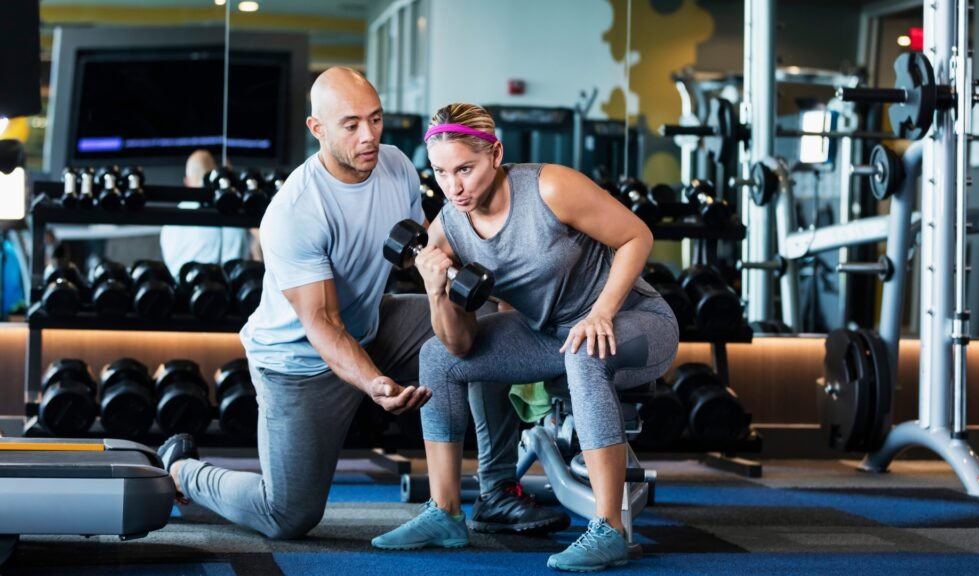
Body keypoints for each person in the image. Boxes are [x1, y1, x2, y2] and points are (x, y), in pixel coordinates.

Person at [155, 68, 566, 540]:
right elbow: (323, 323)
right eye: (351, 125)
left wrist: (500, 289)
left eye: (375, 119)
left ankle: (495, 491)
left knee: (490, 324)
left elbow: (423, 248)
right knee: (287, 515)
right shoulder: (295, 211)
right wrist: (373, 382)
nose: (369, 135)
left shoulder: (396, 166)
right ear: (317, 129)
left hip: (374, 325)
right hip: (299, 361)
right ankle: (183, 470)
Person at [371, 103, 679, 571]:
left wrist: (600, 313)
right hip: (549, 332)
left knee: (584, 353)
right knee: (437, 357)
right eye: (441, 172)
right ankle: (445, 512)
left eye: (465, 169)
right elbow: (459, 346)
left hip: (634, 320)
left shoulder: (549, 187)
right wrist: (436, 291)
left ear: (495, 154)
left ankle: (609, 529)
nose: (454, 187)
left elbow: (637, 236)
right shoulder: (449, 227)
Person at [159, 149, 251, 280]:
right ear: (214, 177)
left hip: (185, 289)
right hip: (231, 288)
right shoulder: (235, 213)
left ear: (187, 182)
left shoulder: (170, 223)